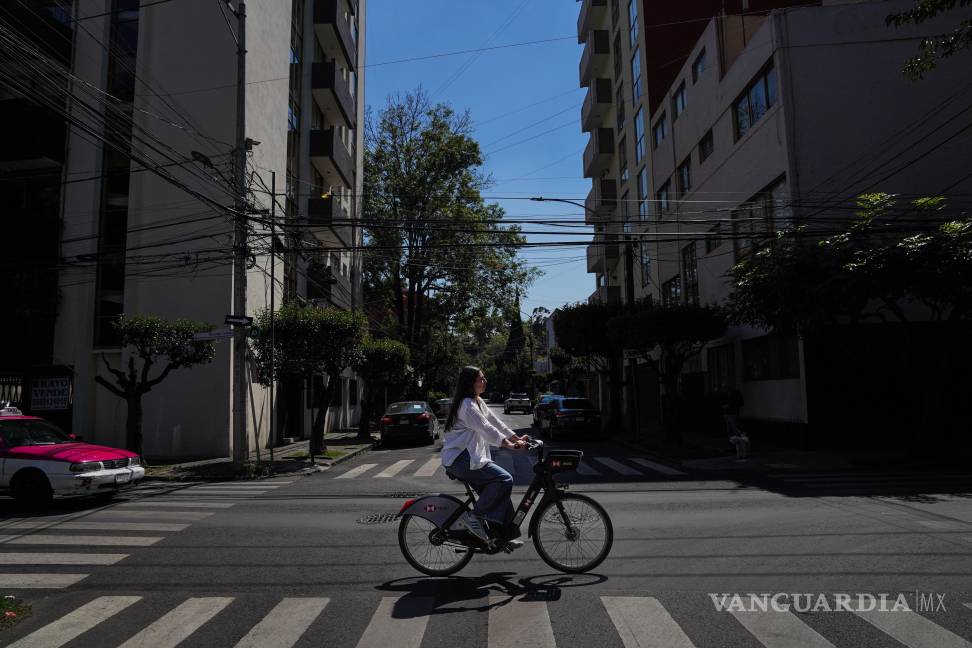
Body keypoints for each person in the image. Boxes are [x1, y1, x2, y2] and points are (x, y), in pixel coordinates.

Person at [441, 366, 530, 549]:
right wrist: (510, 445)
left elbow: (496, 423)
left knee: (499, 492)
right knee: (504, 479)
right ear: (470, 383)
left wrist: (516, 438)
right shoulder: (467, 406)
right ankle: (474, 519)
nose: (485, 381)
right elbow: (487, 429)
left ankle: (504, 537)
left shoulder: (478, 401)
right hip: (460, 459)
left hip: (469, 457)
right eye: (481, 379)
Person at [724, 389, 750, 460]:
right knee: (731, 429)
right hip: (730, 413)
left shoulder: (734, 394)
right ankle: (735, 446)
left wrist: (729, 406)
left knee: (733, 429)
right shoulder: (732, 394)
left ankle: (736, 445)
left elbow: (738, 404)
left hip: (732, 413)